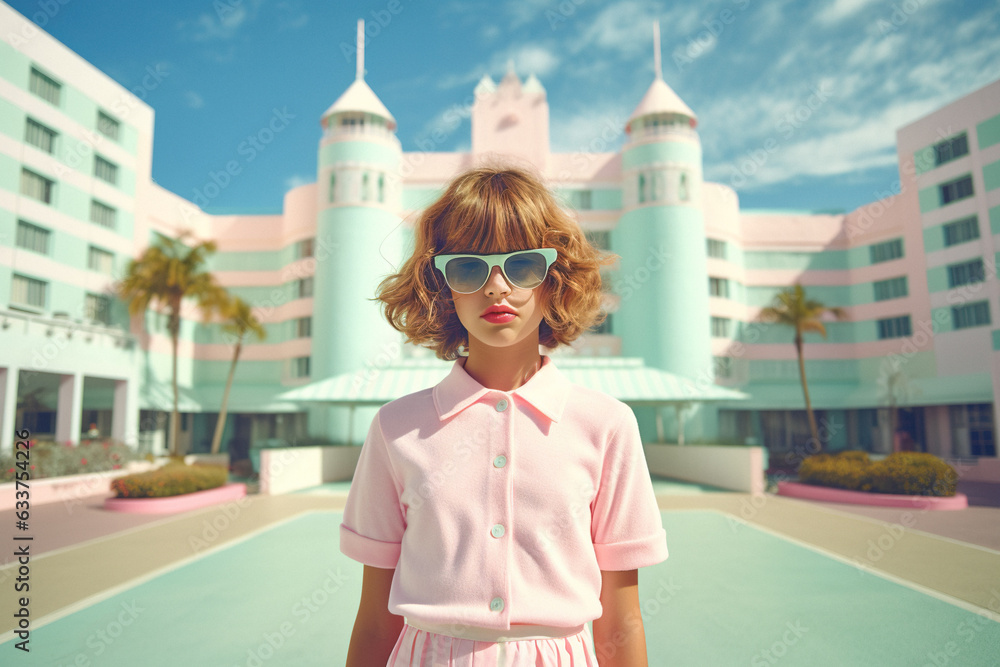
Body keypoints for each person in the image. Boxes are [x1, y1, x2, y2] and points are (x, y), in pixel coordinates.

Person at [341, 163, 669, 666]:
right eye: (468, 268)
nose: (496, 286)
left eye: (523, 266)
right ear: (442, 284)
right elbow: (373, 622)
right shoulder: (395, 428)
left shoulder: (607, 426)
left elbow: (621, 622)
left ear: (554, 279)